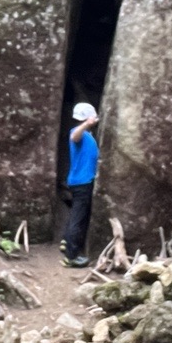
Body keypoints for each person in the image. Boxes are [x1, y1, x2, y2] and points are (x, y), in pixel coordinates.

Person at [61, 102, 99, 267]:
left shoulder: (89, 137)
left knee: (76, 214)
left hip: (82, 180)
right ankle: (72, 257)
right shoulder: (79, 133)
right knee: (79, 217)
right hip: (82, 182)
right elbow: (74, 136)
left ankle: (66, 242)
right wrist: (86, 124)